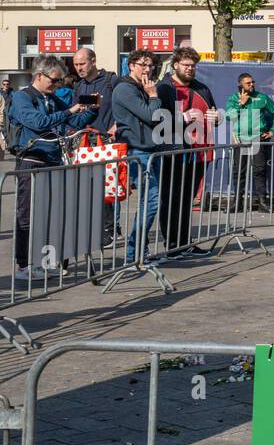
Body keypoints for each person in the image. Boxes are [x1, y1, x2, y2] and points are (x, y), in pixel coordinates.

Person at [6, 56, 95, 278]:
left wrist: (92, 109)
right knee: (27, 214)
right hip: (31, 160)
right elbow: (37, 123)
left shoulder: (53, 99)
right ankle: (24, 265)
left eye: (59, 81)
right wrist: (70, 111)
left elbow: (73, 123)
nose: (57, 85)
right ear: (39, 76)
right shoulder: (21, 97)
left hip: (53, 161)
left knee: (51, 214)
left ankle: (46, 262)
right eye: (54, 80)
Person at [157, 45, 220, 258]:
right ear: (175, 65)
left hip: (200, 152)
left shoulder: (202, 88)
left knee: (187, 200)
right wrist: (183, 120)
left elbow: (213, 113)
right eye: (186, 65)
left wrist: (217, 118)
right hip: (173, 152)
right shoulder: (163, 88)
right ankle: (172, 245)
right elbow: (156, 120)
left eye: (193, 66)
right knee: (171, 198)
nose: (190, 69)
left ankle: (185, 243)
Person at [112, 49, 167, 264]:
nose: (147, 69)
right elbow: (153, 116)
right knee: (150, 201)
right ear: (131, 65)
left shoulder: (141, 87)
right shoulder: (125, 89)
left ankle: (138, 252)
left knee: (151, 201)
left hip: (151, 149)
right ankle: (134, 253)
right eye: (142, 64)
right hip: (138, 151)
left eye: (150, 65)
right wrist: (153, 96)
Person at [72, 47, 123, 246]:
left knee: (107, 187)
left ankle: (110, 229)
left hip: (108, 141)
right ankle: (101, 227)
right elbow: (77, 110)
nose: (78, 68)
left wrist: (116, 126)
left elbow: (124, 106)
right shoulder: (79, 85)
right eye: (76, 65)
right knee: (90, 188)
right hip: (86, 142)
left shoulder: (112, 81)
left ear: (93, 61)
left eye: (82, 64)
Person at [225, 72, 274, 211]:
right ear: (240, 85)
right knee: (239, 171)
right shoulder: (234, 98)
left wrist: (272, 131)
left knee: (259, 170)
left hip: (257, 138)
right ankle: (237, 203)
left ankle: (262, 203)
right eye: (248, 83)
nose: (252, 84)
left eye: (253, 82)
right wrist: (241, 104)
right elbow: (228, 116)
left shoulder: (262, 98)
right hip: (239, 139)